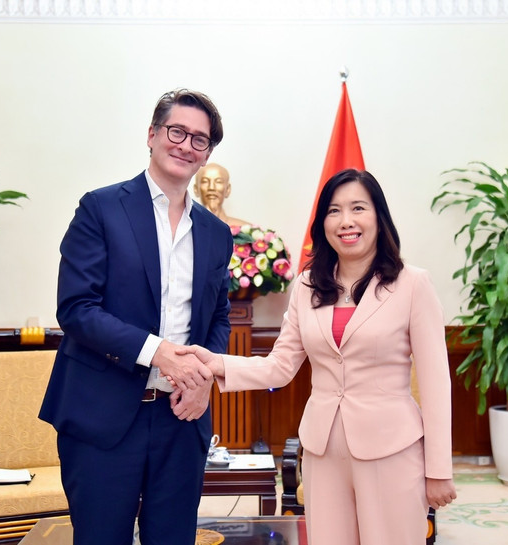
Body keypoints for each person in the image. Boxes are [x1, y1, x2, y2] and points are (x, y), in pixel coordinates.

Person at [180, 168, 457, 544]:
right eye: (334, 211)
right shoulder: (308, 286)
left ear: (378, 216)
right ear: (323, 222)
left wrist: (438, 469)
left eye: (358, 208)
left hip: (391, 449)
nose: (346, 221)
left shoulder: (412, 284)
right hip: (323, 451)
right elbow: (280, 366)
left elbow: (436, 383)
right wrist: (218, 363)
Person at [39, 89, 233, 545]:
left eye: (199, 140)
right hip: (102, 415)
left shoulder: (216, 233)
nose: (186, 145)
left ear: (207, 155)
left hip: (181, 419)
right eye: (177, 131)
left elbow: (218, 318)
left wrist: (204, 376)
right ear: (152, 135)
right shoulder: (100, 209)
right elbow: (77, 309)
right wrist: (159, 352)